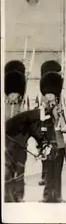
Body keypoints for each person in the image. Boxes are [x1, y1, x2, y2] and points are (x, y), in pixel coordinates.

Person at [40, 71, 66, 203]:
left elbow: (64, 128)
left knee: (57, 173)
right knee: (47, 172)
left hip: (59, 143)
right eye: (48, 93)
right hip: (47, 144)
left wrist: (60, 115)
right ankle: (47, 196)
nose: (50, 95)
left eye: (52, 93)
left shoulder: (60, 108)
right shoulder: (41, 109)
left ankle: (57, 196)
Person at [4, 66, 28, 202]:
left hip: (20, 144)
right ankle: (8, 194)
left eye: (15, 93)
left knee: (20, 170)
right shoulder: (4, 107)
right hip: (7, 144)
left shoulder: (23, 107)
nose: (13, 96)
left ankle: (19, 194)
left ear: (19, 94)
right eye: (10, 93)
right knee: (8, 170)